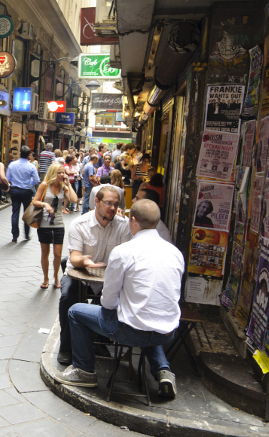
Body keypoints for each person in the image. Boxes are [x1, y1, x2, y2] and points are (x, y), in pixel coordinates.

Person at [61, 199, 182, 399]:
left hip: (132, 331)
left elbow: (108, 301)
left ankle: (84, 370)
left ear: (132, 221)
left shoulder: (123, 252)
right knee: (146, 317)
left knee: (75, 311)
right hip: (167, 332)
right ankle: (163, 370)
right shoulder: (175, 253)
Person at [57, 186, 131, 366]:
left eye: (116, 204)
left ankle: (101, 341)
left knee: (114, 300)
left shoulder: (123, 226)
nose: (112, 208)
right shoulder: (80, 223)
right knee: (68, 297)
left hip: (108, 278)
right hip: (80, 274)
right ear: (96, 202)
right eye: (108, 203)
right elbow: (73, 257)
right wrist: (84, 261)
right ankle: (66, 346)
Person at [32, 163, 77, 289]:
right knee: (45, 252)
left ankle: (56, 276)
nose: (62, 175)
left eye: (63, 172)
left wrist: (69, 184)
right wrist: (44, 204)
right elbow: (35, 201)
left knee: (58, 254)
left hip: (58, 224)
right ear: (53, 173)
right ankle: (46, 277)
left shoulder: (64, 187)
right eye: (59, 173)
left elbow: (74, 200)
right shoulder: (44, 185)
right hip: (44, 224)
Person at [6, 146, 40, 243]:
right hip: (26, 191)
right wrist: (30, 183)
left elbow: (8, 178)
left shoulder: (12, 165)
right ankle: (26, 233)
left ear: (20, 153)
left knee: (15, 213)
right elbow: (37, 180)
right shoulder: (31, 166)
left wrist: (15, 181)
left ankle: (15, 235)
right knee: (27, 212)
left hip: (15, 190)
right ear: (29, 155)